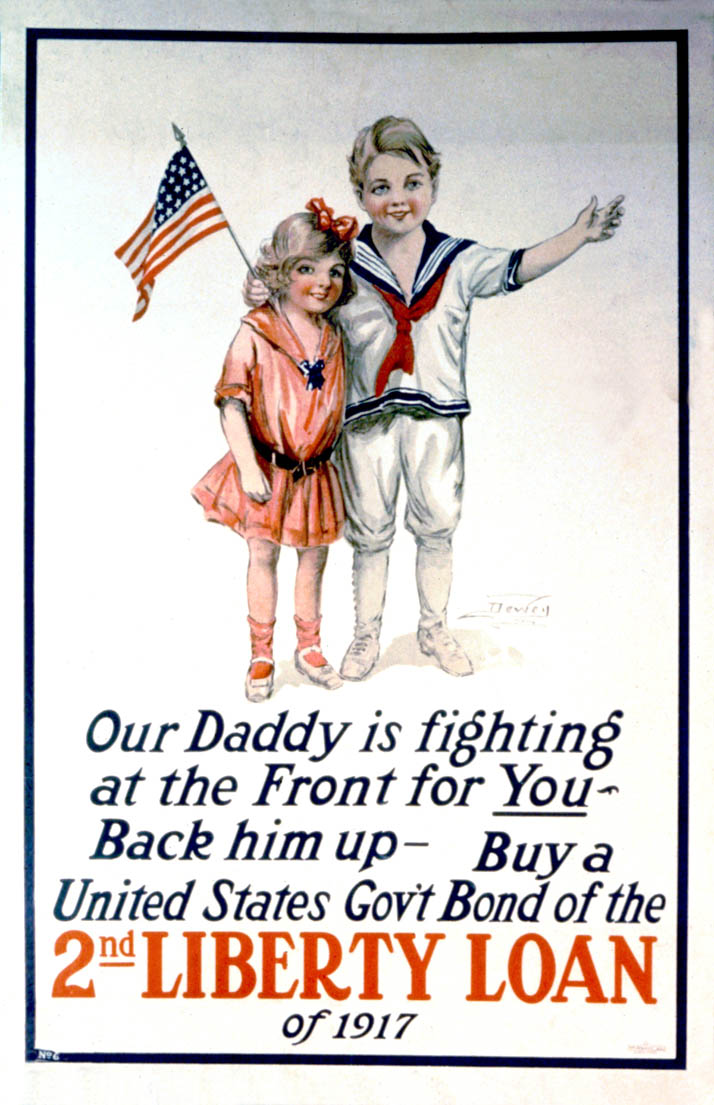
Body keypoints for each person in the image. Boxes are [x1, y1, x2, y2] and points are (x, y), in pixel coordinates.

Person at [245, 116, 624, 682]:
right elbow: (298, 290)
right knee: (369, 531)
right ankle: (366, 635)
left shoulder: (459, 259)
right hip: (364, 419)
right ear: (361, 195)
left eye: (412, 183)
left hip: (437, 414)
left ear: (433, 184)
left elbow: (518, 266)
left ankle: (433, 627)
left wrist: (577, 235)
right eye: (381, 188)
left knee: (437, 524)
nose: (398, 200)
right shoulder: (344, 261)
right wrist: (258, 288)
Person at [193, 199, 358, 701]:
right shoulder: (256, 329)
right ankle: (262, 653)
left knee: (313, 559)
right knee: (262, 554)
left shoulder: (335, 335)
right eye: (307, 269)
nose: (322, 282)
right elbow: (230, 402)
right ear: (280, 273)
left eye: (334, 271)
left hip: (316, 474)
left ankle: (308, 648)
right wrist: (247, 466)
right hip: (266, 467)